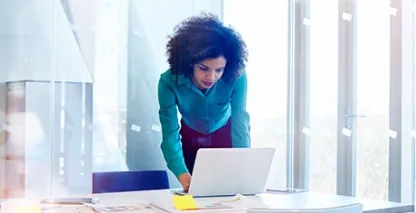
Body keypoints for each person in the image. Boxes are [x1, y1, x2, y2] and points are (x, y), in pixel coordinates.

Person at [157, 13, 250, 192]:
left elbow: (240, 123)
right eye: (203, 69)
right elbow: (170, 135)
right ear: (189, 62)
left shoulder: (237, 76)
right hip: (191, 138)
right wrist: (182, 174)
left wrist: (243, 165)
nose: (211, 77)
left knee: (232, 193)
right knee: (197, 193)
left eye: (219, 70)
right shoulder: (168, 82)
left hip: (226, 134)